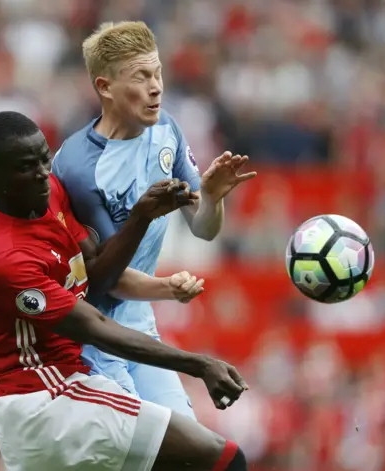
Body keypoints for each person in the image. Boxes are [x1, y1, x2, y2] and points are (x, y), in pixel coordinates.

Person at [0, 111, 249, 471]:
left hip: (56, 399)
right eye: (25, 167)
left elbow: (99, 271)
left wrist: (141, 217)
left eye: (43, 158)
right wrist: (199, 364)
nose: (40, 173)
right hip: (46, 401)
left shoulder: (47, 194)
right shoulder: (0, 256)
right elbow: (95, 326)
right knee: (222, 460)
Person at [52, 20, 257, 419]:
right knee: (136, 450)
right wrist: (167, 287)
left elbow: (203, 227)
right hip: (89, 331)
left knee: (186, 443)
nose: (156, 86)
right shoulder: (80, 168)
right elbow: (104, 277)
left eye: (158, 72)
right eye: (141, 76)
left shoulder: (166, 129)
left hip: (138, 323)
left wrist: (211, 198)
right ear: (105, 87)